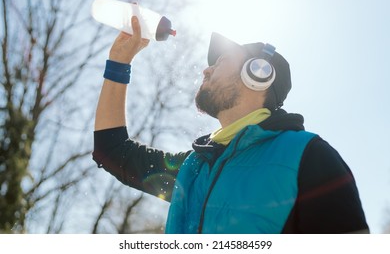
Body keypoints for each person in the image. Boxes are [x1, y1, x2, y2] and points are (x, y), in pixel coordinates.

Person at [93, 16, 369, 234]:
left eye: (221, 61)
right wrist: (119, 61)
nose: (206, 69)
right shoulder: (192, 168)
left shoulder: (309, 156)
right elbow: (111, 150)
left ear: (258, 74)